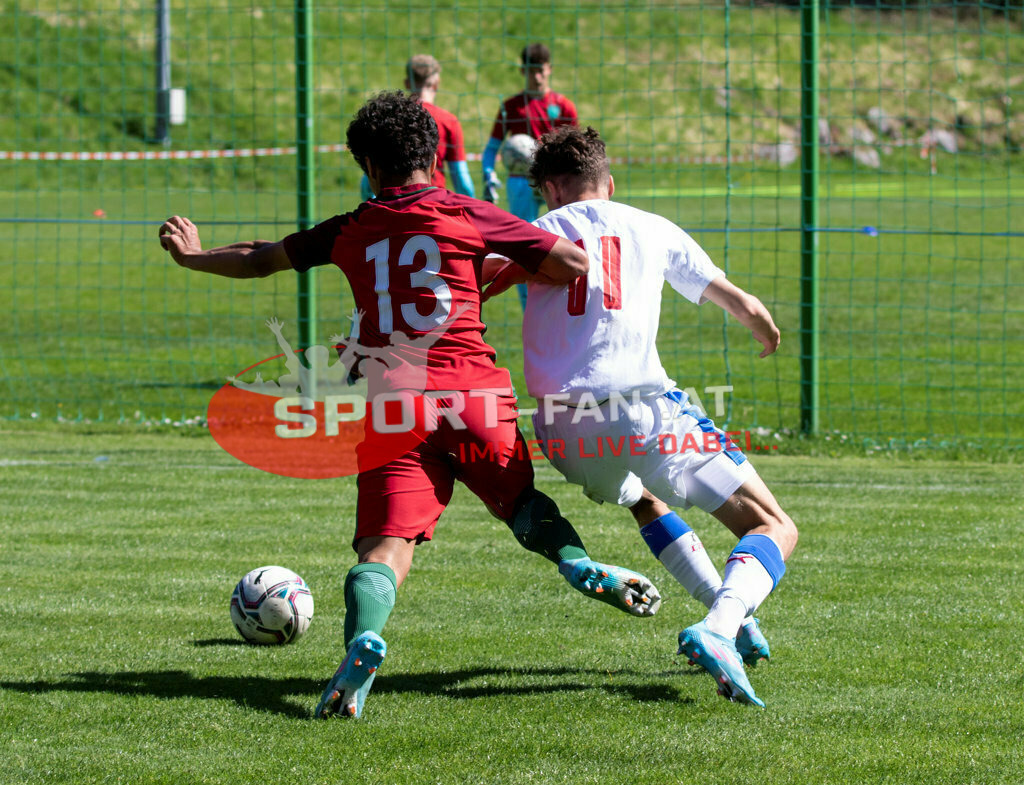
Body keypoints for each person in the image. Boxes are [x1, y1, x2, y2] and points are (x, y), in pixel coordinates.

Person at [158, 93, 661, 720]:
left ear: (369, 163)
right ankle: (580, 564)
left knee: (383, 545)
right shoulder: (468, 212)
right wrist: (492, 270)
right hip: (474, 395)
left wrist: (193, 255)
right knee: (523, 505)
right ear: (434, 153)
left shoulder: (353, 226)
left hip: (397, 407)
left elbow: (263, 257)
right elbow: (568, 262)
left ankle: (364, 644)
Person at [483, 126, 799, 707]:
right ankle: (722, 626)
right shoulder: (652, 226)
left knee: (641, 496)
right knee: (773, 526)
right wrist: (761, 325)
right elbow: (742, 303)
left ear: (550, 189)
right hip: (643, 412)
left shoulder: (534, 232)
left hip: (561, 430)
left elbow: (473, 281)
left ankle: (724, 611)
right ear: (609, 182)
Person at [481, 43, 577, 308]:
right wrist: (488, 174)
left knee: (565, 241)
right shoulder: (511, 107)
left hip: (556, 183)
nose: (537, 76)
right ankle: (530, 309)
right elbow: (491, 150)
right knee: (525, 249)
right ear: (523, 70)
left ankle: (569, 304)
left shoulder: (563, 106)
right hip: (520, 182)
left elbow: (576, 150)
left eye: (541, 71)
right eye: (531, 71)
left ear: (549, 70)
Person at [360, 54, 475, 200]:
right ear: (437, 83)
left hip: (393, 204)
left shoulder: (391, 118)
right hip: (433, 203)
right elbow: (462, 180)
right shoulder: (448, 121)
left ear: (407, 83)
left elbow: (367, 183)